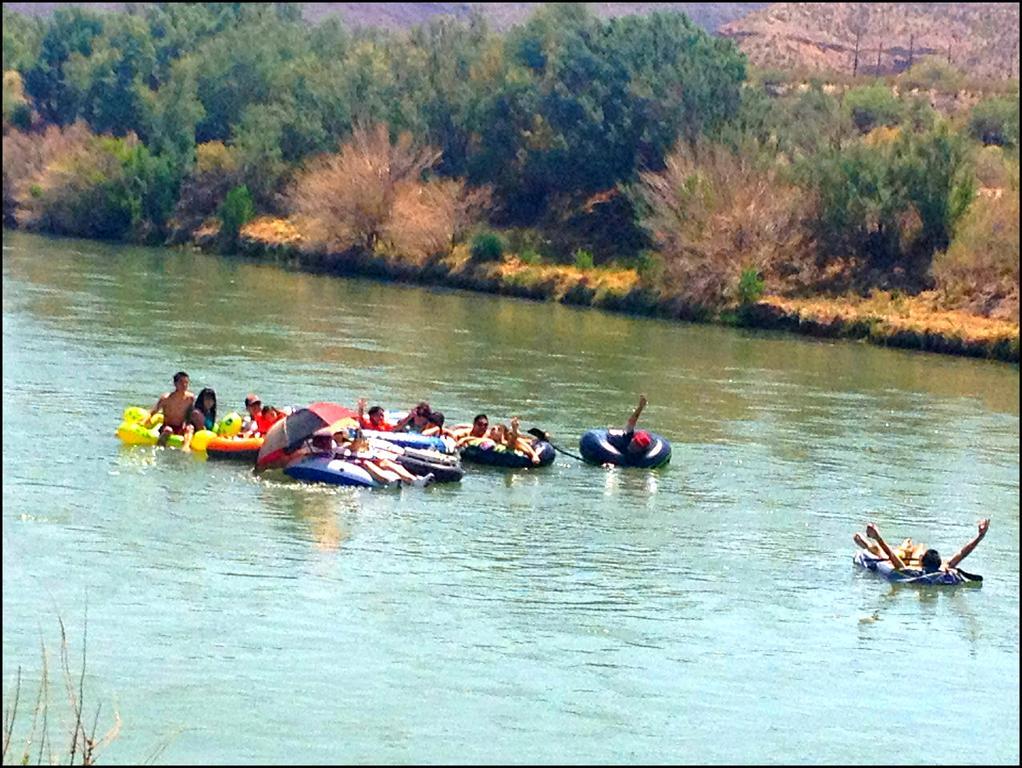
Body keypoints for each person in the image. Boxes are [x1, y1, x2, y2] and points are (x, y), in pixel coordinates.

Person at [855, 519, 991, 575]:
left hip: (904, 557)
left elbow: (891, 556)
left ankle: (869, 544)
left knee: (884, 556)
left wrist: (878, 537)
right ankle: (868, 544)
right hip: (907, 557)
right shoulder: (944, 566)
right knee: (888, 555)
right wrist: (980, 536)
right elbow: (962, 553)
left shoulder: (909, 570)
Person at [151, 371, 196, 447]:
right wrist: (144, 422)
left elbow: (189, 413)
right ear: (175, 384)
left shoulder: (190, 398)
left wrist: (186, 424)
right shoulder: (166, 398)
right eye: (181, 382)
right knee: (168, 430)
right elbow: (153, 411)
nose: (184, 385)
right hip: (167, 426)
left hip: (180, 427)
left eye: (186, 382)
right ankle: (159, 447)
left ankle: (185, 448)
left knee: (190, 428)